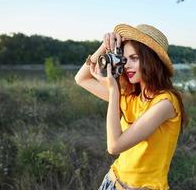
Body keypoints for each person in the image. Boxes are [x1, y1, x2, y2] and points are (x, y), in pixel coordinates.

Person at [74, 23, 188, 190]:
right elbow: (81, 79)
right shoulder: (130, 97)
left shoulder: (165, 103)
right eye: (125, 59)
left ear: (152, 61)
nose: (127, 65)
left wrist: (114, 91)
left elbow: (114, 146)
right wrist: (105, 46)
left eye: (134, 58)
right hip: (111, 181)